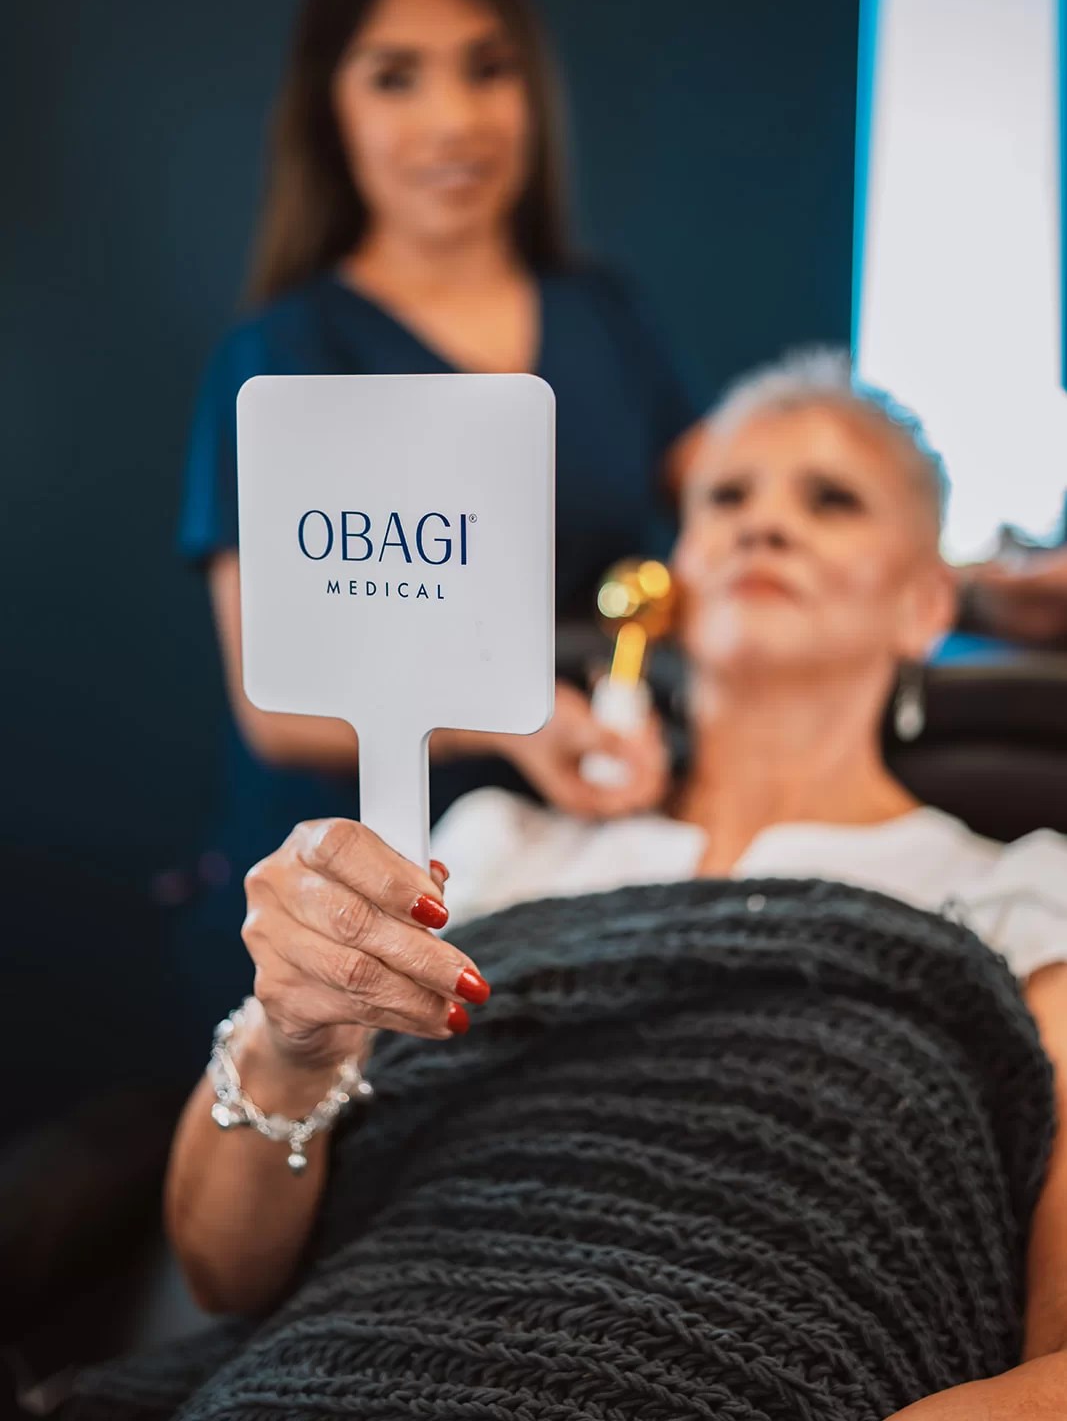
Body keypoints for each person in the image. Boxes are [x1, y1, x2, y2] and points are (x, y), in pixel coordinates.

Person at [129, 353, 1067, 1421]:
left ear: (924, 601)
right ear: (674, 576)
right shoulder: (493, 844)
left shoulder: (1018, 891)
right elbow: (221, 1271)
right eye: (725, 497)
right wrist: (290, 1045)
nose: (763, 524)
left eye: (830, 500)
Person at [178, 0, 708, 917]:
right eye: (396, 79)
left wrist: (962, 589)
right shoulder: (283, 355)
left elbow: (737, 502)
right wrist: (515, 721)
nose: (454, 120)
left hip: (573, 864)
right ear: (329, 110)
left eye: (487, 69)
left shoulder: (603, 315)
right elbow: (274, 705)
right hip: (345, 895)